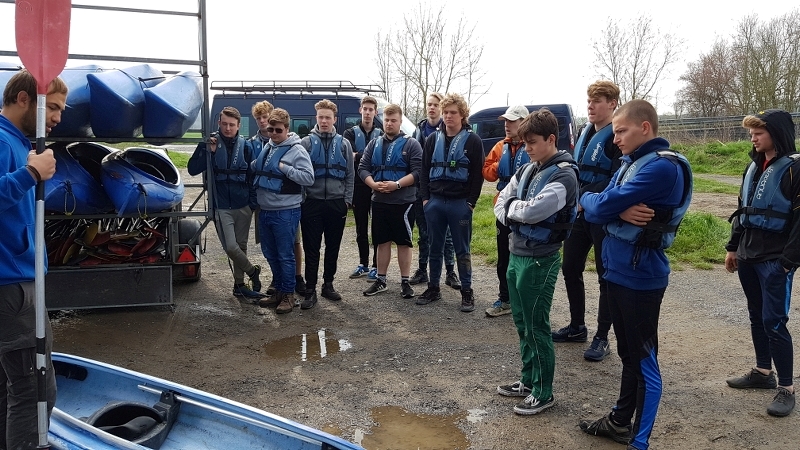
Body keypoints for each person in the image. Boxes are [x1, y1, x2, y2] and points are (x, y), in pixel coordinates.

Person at [578, 99, 692, 450]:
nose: (615, 140)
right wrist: (611, 208)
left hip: (641, 277)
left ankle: (639, 442)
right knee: (627, 353)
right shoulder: (631, 162)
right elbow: (591, 203)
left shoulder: (661, 168)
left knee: (644, 361)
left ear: (645, 128)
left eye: (621, 131)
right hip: (617, 270)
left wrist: (606, 205)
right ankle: (618, 420)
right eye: (614, 133)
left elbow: (600, 205)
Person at [493, 108, 578, 415]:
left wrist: (513, 210)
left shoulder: (564, 175)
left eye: (532, 142)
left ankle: (544, 391)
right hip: (517, 253)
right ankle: (528, 380)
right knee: (521, 323)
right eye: (524, 142)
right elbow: (502, 201)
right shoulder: (529, 168)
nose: (526, 148)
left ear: (551, 139)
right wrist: (514, 209)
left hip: (540, 259)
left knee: (536, 325)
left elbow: (534, 212)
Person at [0, 69, 66, 449]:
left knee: (12, 387)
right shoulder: (3, 141)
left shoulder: (14, 140)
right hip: (13, 286)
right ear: (25, 99)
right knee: (35, 391)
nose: (57, 117)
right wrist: (29, 173)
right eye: (52, 107)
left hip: (16, 279)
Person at [724, 109, 800, 417]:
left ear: (776, 134)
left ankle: (786, 388)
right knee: (757, 316)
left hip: (775, 260)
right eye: (751, 133)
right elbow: (743, 209)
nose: (753, 138)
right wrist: (732, 248)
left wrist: (786, 263)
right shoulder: (754, 168)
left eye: (759, 132)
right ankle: (762, 372)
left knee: (774, 321)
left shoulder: (795, 170)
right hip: (748, 255)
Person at [552, 81, 622, 362]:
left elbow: (617, 176)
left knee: (606, 276)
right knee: (570, 267)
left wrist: (588, 196)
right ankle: (577, 326)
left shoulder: (617, 134)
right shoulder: (583, 131)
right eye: (589, 100)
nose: (591, 106)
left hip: (602, 215)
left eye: (598, 101)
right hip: (578, 214)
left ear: (612, 104)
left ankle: (602, 336)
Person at [417, 93, 484, 312]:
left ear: (463, 115)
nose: (448, 116)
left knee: (462, 249)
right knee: (434, 247)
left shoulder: (473, 141)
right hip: (435, 202)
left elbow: (477, 175)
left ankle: (466, 291)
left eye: (453, 112)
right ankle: (433, 287)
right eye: (445, 112)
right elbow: (424, 170)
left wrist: (471, 203)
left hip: (460, 204)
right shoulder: (431, 140)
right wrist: (426, 199)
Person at [188, 106, 263, 300]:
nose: (228, 128)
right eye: (224, 124)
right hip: (221, 205)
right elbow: (192, 169)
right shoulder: (209, 144)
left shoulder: (246, 147)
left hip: (243, 204)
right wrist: (209, 152)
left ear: (238, 126)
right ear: (218, 123)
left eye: (232, 125)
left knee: (241, 245)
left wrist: (252, 203)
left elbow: (253, 176)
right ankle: (252, 271)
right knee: (231, 247)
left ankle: (239, 285)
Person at [251, 108, 314, 314]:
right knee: (270, 253)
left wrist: (286, 168)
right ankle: (279, 290)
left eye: (278, 130)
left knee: (285, 255)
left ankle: (288, 295)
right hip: (265, 209)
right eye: (270, 129)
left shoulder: (297, 150)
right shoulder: (267, 147)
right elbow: (258, 167)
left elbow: (308, 178)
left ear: (287, 129)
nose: (274, 134)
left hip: (286, 211)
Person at [358, 104, 423, 298]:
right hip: (379, 200)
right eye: (386, 120)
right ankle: (381, 280)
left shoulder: (411, 144)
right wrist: (373, 185)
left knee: (404, 243)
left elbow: (418, 172)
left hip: (403, 201)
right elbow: (363, 168)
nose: (389, 123)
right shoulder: (374, 143)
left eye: (393, 120)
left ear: (400, 121)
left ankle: (405, 282)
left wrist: (397, 184)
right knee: (382, 242)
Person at [299, 99, 354, 308]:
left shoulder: (344, 144)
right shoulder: (306, 143)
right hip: (312, 203)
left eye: (327, 117)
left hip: (336, 203)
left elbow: (350, 174)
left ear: (334, 119)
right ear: (316, 118)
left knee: (333, 247)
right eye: (321, 117)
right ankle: (310, 290)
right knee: (312, 248)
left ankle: (328, 284)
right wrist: (303, 200)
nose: (324, 121)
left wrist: (347, 200)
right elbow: (300, 176)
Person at [482, 105, 529, 317]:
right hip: (503, 210)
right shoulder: (500, 146)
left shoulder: (532, 146)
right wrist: (500, 164)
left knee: (526, 257)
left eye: (511, 121)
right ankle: (505, 298)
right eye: (505, 121)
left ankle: (525, 299)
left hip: (527, 211)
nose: (506, 125)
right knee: (503, 258)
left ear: (524, 122)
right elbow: (488, 173)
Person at [410, 92, 458, 289]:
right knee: (424, 233)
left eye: (435, 105)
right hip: (422, 190)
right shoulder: (419, 131)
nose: (431, 108)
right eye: (429, 104)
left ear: (441, 108)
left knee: (446, 235)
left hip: (442, 190)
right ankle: (422, 269)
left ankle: (450, 272)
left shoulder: (448, 131)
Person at [343, 96, 383, 280]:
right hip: (359, 186)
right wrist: (368, 156)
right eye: (365, 109)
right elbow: (348, 156)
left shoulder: (381, 133)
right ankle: (363, 264)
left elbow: (380, 157)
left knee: (377, 227)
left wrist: (359, 155)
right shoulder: (350, 133)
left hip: (376, 186)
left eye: (371, 109)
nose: (367, 112)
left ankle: (376, 265)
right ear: (360, 110)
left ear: (375, 112)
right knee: (361, 228)